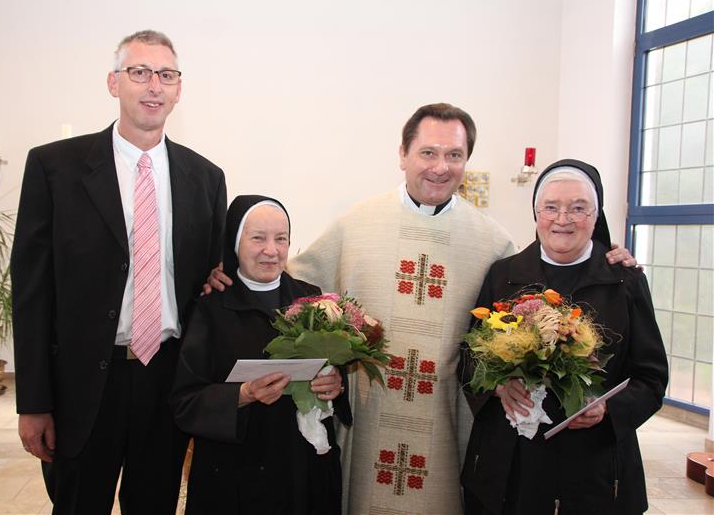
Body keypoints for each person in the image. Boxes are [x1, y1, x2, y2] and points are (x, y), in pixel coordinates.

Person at [207, 103, 637, 513]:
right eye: (427, 152)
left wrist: (606, 254)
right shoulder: (357, 225)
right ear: (402, 154)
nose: (440, 166)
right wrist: (224, 272)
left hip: (444, 422)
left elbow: (551, 282)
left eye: (454, 154)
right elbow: (285, 284)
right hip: (371, 413)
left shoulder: (491, 241)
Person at [11, 30, 227, 515]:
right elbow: (30, 294)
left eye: (166, 75)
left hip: (167, 378)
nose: (154, 85)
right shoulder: (55, 168)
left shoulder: (206, 178)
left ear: (178, 89)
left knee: (154, 504)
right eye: (140, 72)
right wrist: (33, 402)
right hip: (84, 384)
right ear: (114, 82)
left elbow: (209, 283)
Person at [459, 159, 668, 515]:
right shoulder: (504, 274)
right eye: (551, 207)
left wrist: (608, 410)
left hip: (592, 467)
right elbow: (467, 358)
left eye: (578, 208)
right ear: (536, 212)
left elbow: (651, 377)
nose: (562, 219)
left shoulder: (625, 281)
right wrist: (497, 387)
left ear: (596, 215)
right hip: (511, 465)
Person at [171, 195, 350, 514]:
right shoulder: (209, 309)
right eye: (258, 238)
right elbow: (185, 401)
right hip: (234, 479)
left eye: (281, 239)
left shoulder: (312, 300)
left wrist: (336, 384)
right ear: (235, 242)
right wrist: (242, 394)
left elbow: (335, 376)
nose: (272, 250)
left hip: (302, 473)